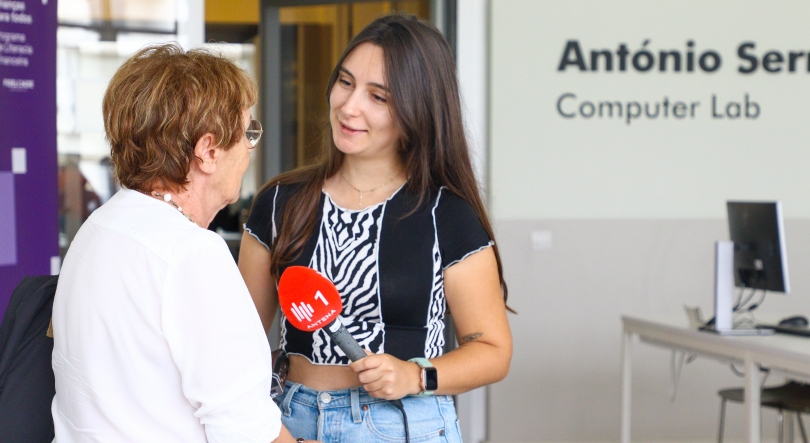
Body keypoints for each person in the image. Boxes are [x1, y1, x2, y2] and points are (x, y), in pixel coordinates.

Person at [239, 14, 512, 443]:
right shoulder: (279, 204)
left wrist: (414, 375)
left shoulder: (447, 214)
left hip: (405, 424)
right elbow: (238, 345)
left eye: (378, 97)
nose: (350, 107)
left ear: (417, 110)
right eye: (345, 83)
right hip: (291, 422)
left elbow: (493, 352)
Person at [51, 44, 314, 443]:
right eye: (247, 133)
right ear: (208, 151)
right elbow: (244, 430)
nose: (248, 149)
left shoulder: (100, 226)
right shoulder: (190, 254)